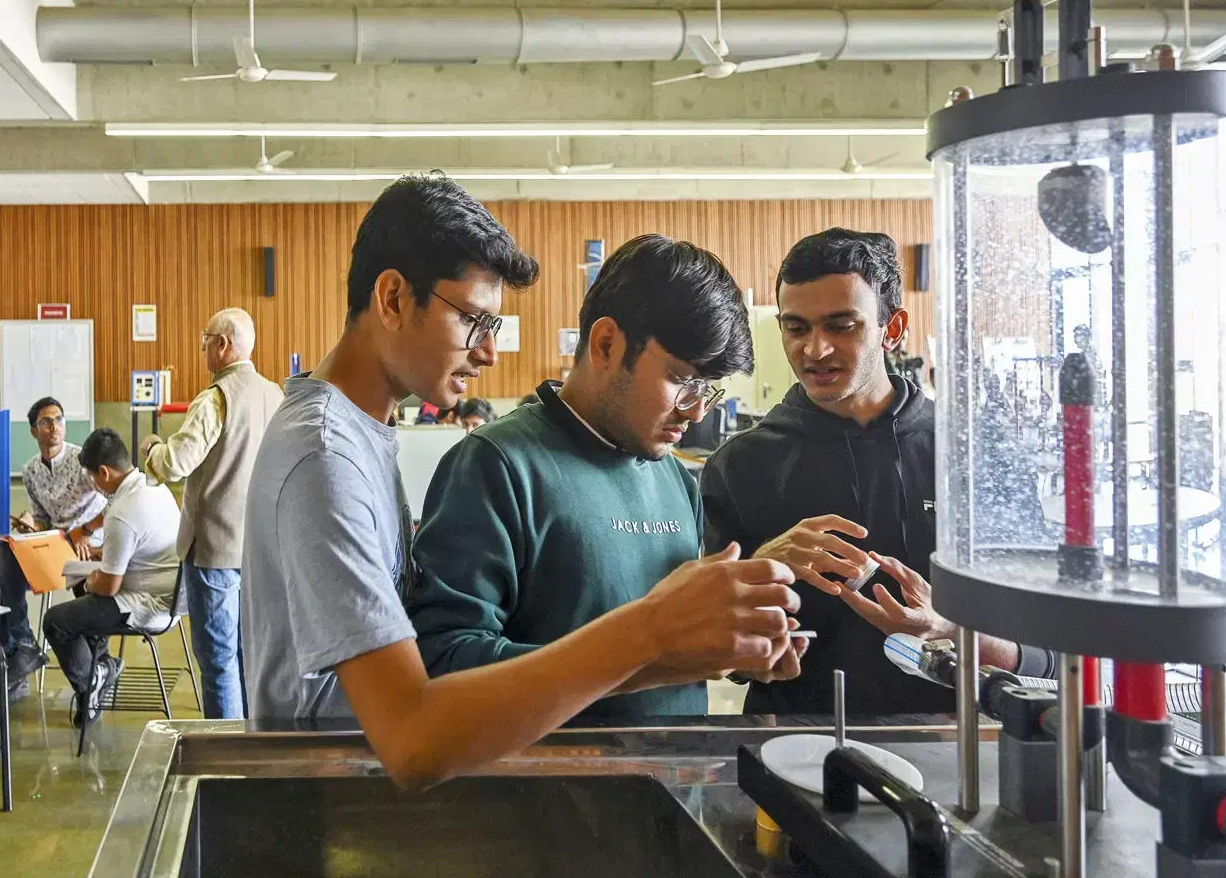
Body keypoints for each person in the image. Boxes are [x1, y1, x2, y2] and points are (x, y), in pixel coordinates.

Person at [241, 173, 801, 790]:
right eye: (475, 322)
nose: (487, 353)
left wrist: (699, 644)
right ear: (396, 299)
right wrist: (651, 632)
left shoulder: (359, 435)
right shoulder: (329, 453)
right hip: (340, 802)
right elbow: (412, 733)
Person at [408, 235, 809, 718]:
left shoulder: (677, 481)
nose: (698, 409)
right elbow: (446, 664)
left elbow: (677, 650)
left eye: (709, 388)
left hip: (679, 782)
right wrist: (651, 656)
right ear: (606, 344)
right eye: (682, 381)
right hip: (556, 786)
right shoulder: (497, 466)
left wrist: (734, 648)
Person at [701, 228, 1055, 716]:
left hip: (961, 751)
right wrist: (758, 575)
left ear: (892, 329)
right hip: (792, 754)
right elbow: (717, 656)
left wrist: (950, 632)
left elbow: (1046, 658)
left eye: (841, 326)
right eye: (797, 327)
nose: (815, 350)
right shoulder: (739, 467)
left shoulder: (980, 458)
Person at [139, 308, 283, 720]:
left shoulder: (216, 398)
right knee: (248, 656)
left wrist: (152, 450)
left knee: (219, 662)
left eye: (205, 340)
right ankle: (255, 746)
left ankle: (227, 763)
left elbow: (175, 464)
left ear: (222, 344)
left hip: (215, 552)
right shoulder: (274, 394)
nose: (202, 349)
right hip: (259, 550)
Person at [42, 429, 181, 729]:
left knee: (56, 621)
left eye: (93, 477)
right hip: (172, 595)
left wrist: (94, 578)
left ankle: (93, 677)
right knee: (84, 592)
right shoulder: (155, 485)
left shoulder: (121, 512)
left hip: (148, 605)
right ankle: (102, 662)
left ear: (104, 472)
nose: (93, 483)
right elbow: (141, 542)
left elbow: (108, 587)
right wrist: (102, 555)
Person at [0, 396, 108, 699]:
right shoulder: (30, 470)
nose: (55, 426)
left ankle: (100, 663)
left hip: (90, 545)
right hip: (57, 544)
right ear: (34, 431)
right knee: (6, 550)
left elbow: (115, 503)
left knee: (83, 577)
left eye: (59, 419)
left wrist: (84, 531)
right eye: (46, 421)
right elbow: (44, 520)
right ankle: (21, 645)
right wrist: (31, 526)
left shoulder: (82, 460)